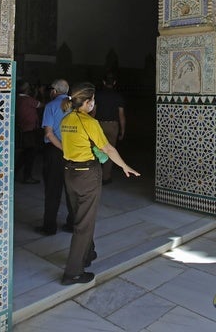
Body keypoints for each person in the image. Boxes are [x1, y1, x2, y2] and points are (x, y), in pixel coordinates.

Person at [60, 82, 140, 285]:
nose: (94, 103)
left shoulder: (66, 119)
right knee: (84, 225)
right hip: (87, 174)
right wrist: (124, 166)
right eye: (93, 100)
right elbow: (108, 149)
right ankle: (73, 272)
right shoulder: (89, 122)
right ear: (87, 102)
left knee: (80, 215)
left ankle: (87, 254)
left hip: (70, 172)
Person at [36, 79, 73, 236]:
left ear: (54, 91)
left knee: (53, 189)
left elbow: (49, 133)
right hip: (73, 152)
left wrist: (62, 148)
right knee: (72, 189)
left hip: (55, 151)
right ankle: (72, 224)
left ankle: (49, 226)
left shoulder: (51, 106)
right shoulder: (75, 105)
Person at [93, 73, 126, 184]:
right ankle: (106, 177)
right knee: (110, 151)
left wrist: (90, 127)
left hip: (99, 125)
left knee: (97, 150)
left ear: (103, 82)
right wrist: (122, 130)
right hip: (113, 126)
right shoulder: (118, 96)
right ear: (114, 83)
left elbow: (93, 112)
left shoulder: (98, 95)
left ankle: (95, 176)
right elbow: (121, 115)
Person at [15, 81, 42, 184]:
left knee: (25, 154)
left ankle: (16, 173)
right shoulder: (28, 100)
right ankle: (27, 177)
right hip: (30, 130)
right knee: (30, 154)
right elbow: (41, 104)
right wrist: (39, 93)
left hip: (23, 129)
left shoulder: (17, 99)